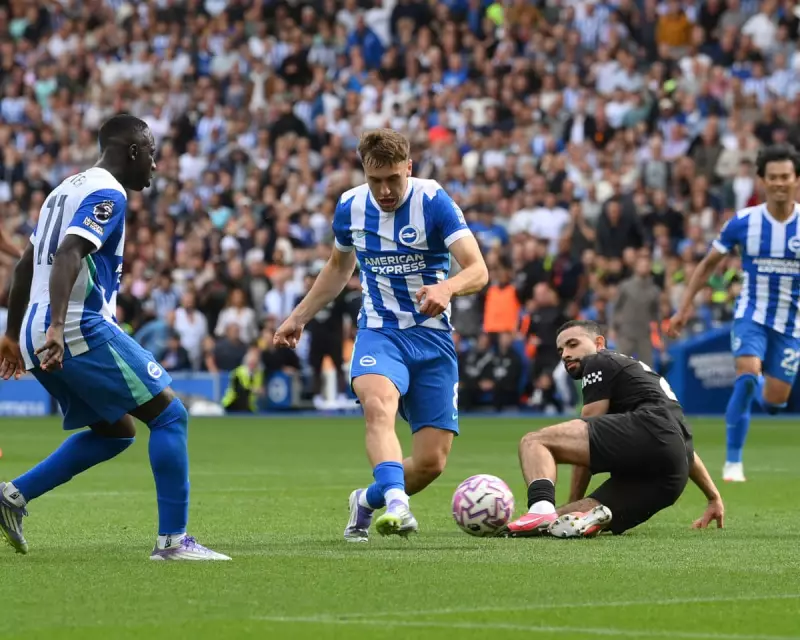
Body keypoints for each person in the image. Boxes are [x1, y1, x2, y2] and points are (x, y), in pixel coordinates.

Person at [0, 114, 229, 560]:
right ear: (133, 151)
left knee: (115, 431)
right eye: (152, 154)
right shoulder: (108, 191)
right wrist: (55, 327)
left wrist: (12, 334)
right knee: (169, 416)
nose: (155, 166)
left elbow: (27, 263)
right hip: (72, 325)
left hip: (35, 326)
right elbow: (69, 253)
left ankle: (13, 495)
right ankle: (173, 542)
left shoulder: (63, 189)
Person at [274, 128, 488, 541]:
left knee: (430, 463)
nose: (385, 190)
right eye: (376, 181)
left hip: (432, 339)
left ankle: (369, 499)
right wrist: (298, 316)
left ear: (409, 167)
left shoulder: (433, 201)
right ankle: (398, 505)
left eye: (394, 178)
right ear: (364, 173)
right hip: (380, 331)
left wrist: (446, 288)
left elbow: (478, 269)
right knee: (378, 405)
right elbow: (339, 268)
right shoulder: (350, 207)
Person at [504, 320, 724, 538]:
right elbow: (682, 448)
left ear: (599, 342)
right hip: (672, 475)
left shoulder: (599, 360)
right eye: (561, 350)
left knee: (533, 441)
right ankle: (588, 518)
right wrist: (713, 497)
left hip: (649, 430)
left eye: (573, 344)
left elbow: (587, 431)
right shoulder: (637, 376)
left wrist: (572, 497)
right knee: (555, 522)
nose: (565, 355)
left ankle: (539, 509)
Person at [668, 144, 800, 483]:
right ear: (762, 181)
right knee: (745, 372)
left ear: (796, 179)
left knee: (774, 401)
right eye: (773, 178)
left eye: (786, 176)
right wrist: (684, 309)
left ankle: (760, 390)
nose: (780, 183)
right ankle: (732, 463)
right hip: (751, 315)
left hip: (790, 324)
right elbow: (707, 265)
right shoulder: (743, 223)